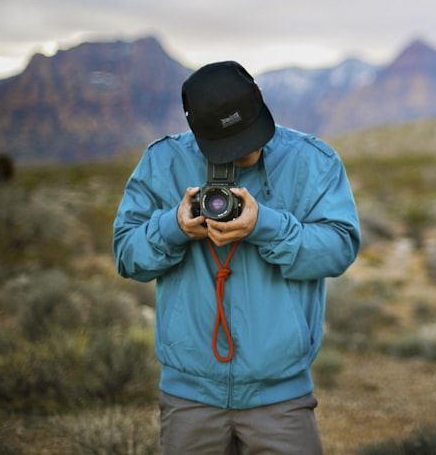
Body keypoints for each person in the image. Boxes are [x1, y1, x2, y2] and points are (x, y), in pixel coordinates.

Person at [113, 60, 361, 455]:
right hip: (189, 395)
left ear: (261, 102)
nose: (244, 149)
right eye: (229, 144)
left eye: (250, 134)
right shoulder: (163, 163)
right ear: (196, 131)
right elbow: (127, 256)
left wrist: (267, 226)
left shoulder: (314, 162)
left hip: (280, 396)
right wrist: (173, 228)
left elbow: (340, 248)